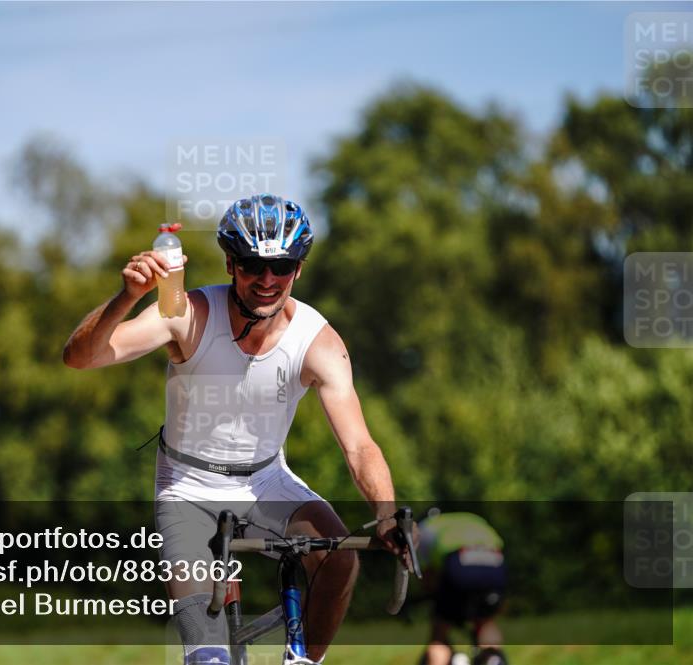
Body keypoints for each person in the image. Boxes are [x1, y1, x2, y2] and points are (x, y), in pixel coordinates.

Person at [63, 194, 406, 665]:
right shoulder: (186, 313)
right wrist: (128, 295)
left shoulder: (318, 341)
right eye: (251, 266)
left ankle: (304, 659)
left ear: (298, 269)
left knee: (340, 558)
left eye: (281, 266)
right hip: (187, 486)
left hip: (265, 479)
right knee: (209, 657)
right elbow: (80, 357)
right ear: (230, 263)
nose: (267, 280)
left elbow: (360, 446)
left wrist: (385, 513)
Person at [416, 511, 508, 665]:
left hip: (459, 563)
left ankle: (440, 659)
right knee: (485, 621)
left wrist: (438, 599)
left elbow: (427, 576)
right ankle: (493, 658)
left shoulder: (425, 528)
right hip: (494, 564)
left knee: (440, 630)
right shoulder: (473, 518)